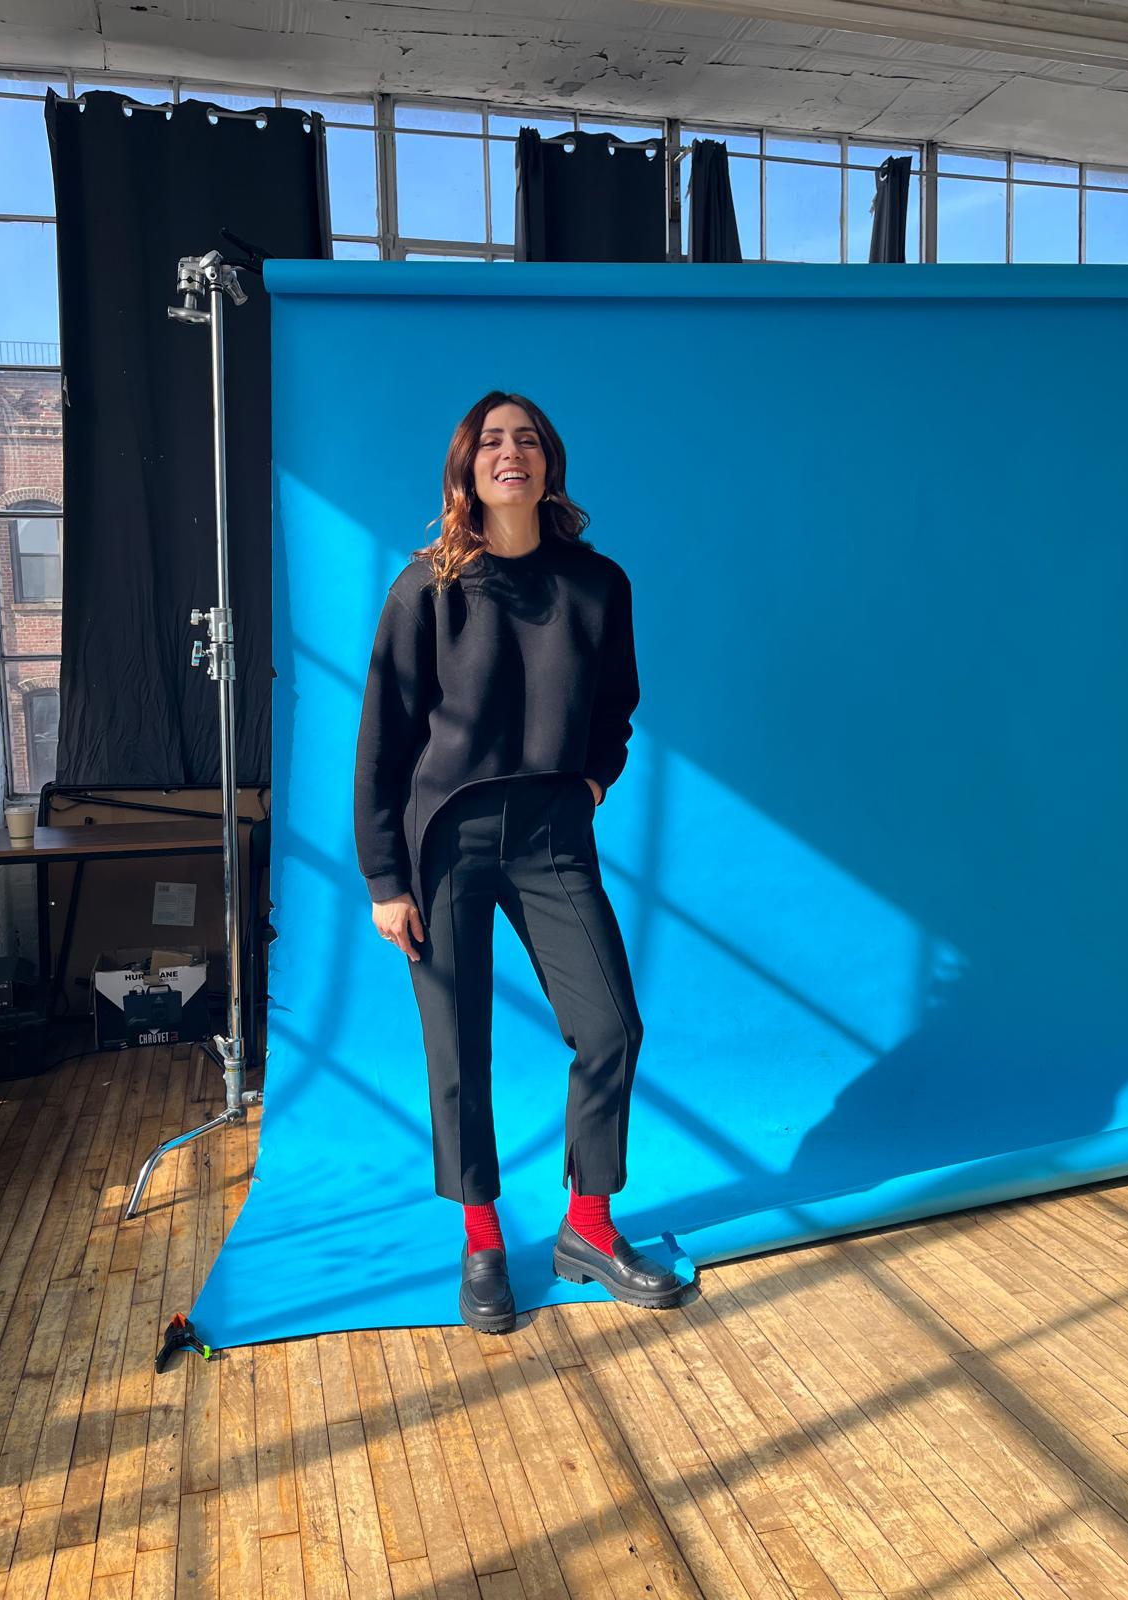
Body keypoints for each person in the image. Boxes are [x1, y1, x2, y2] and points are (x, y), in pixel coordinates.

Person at [353, 389, 685, 1333]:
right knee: (458, 1047)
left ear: (549, 465)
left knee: (611, 1026)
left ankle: (588, 1227)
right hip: (444, 840)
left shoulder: (598, 584)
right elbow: (382, 740)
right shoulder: (425, 588)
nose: (512, 452)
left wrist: (593, 780)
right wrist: (385, 879)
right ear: (467, 466)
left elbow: (617, 704)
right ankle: (483, 1241)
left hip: (551, 834)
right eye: (492, 440)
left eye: (528, 440)